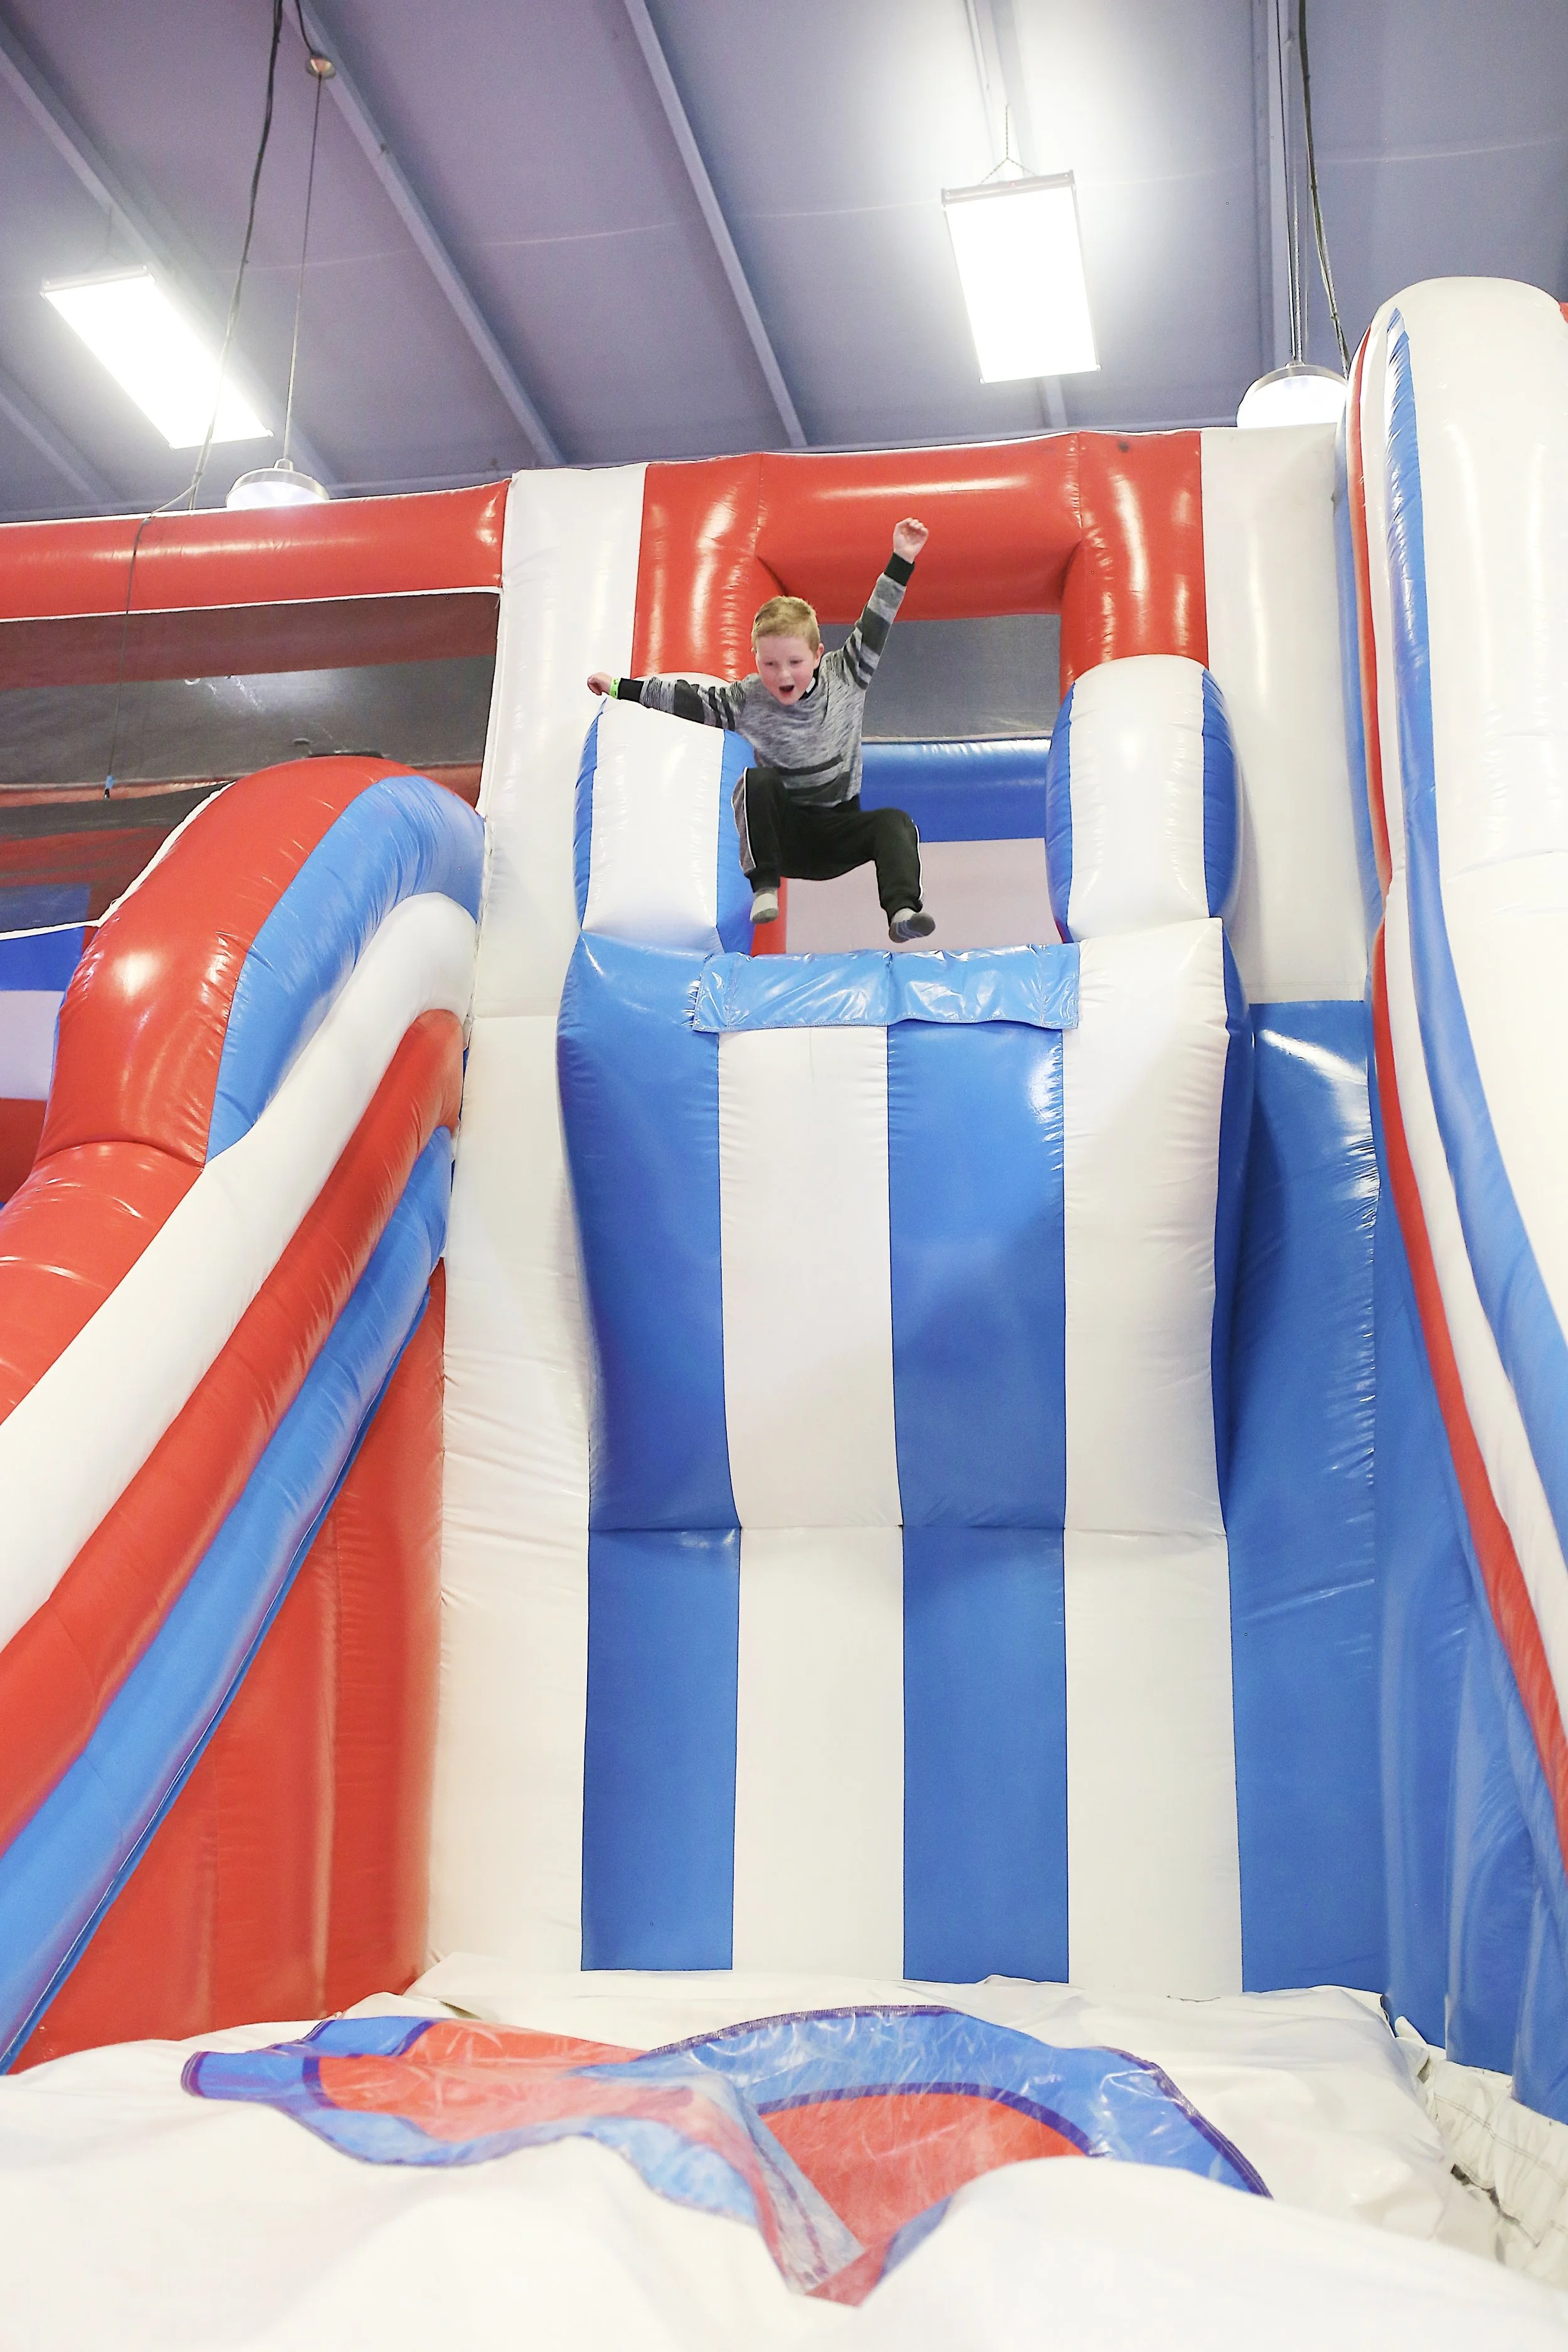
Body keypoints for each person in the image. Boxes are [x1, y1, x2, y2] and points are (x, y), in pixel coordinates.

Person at [586, 518, 936, 942]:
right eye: (769, 664)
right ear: (755, 660)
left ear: (818, 655)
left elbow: (876, 620)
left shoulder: (848, 673)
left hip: (838, 831)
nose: (783, 674)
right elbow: (686, 699)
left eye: (794, 662)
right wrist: (622, 687)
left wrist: (902, 558)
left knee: (895, 822)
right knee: (757, 782)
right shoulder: (747, 699)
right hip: (782, 839)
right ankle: (765, 886)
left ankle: (902, 912)